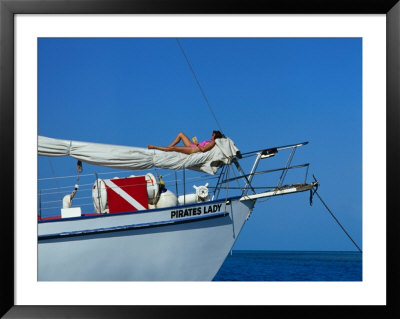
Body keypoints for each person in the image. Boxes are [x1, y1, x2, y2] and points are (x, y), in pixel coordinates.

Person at [148, 130, 224, 155]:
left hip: (193, 150)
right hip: (193, 146)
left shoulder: (212, 143)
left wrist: (197, 144)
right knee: (181, 134)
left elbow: (203, 149)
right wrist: (196, 143)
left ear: (215, 136)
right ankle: (168, 147)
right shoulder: (210, 141)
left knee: (174, 148)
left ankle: (155, 147)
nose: (211, 135)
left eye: (212, 135)